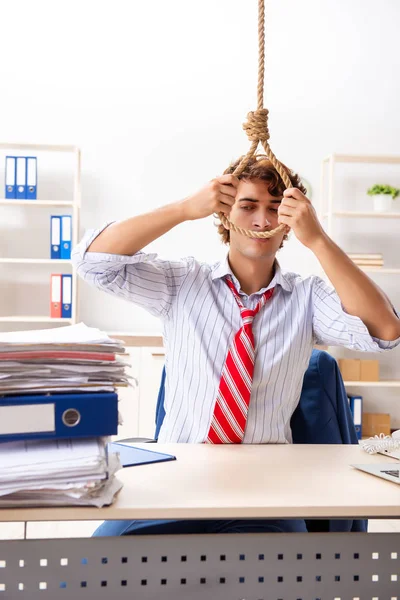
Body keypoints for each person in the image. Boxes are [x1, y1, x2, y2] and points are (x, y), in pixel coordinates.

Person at [72, 155, 400, 535]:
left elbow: (385, 331)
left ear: (290, 223)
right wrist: (183, 209)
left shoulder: (307, 299)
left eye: (276, 209)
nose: (262, 220)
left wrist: (318, 239)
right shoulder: (182, 283)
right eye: (248, 206)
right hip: (176, 482)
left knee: (299, 575)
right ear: (225, 215)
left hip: (268, 491)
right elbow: (92, 263)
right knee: (97, 565)